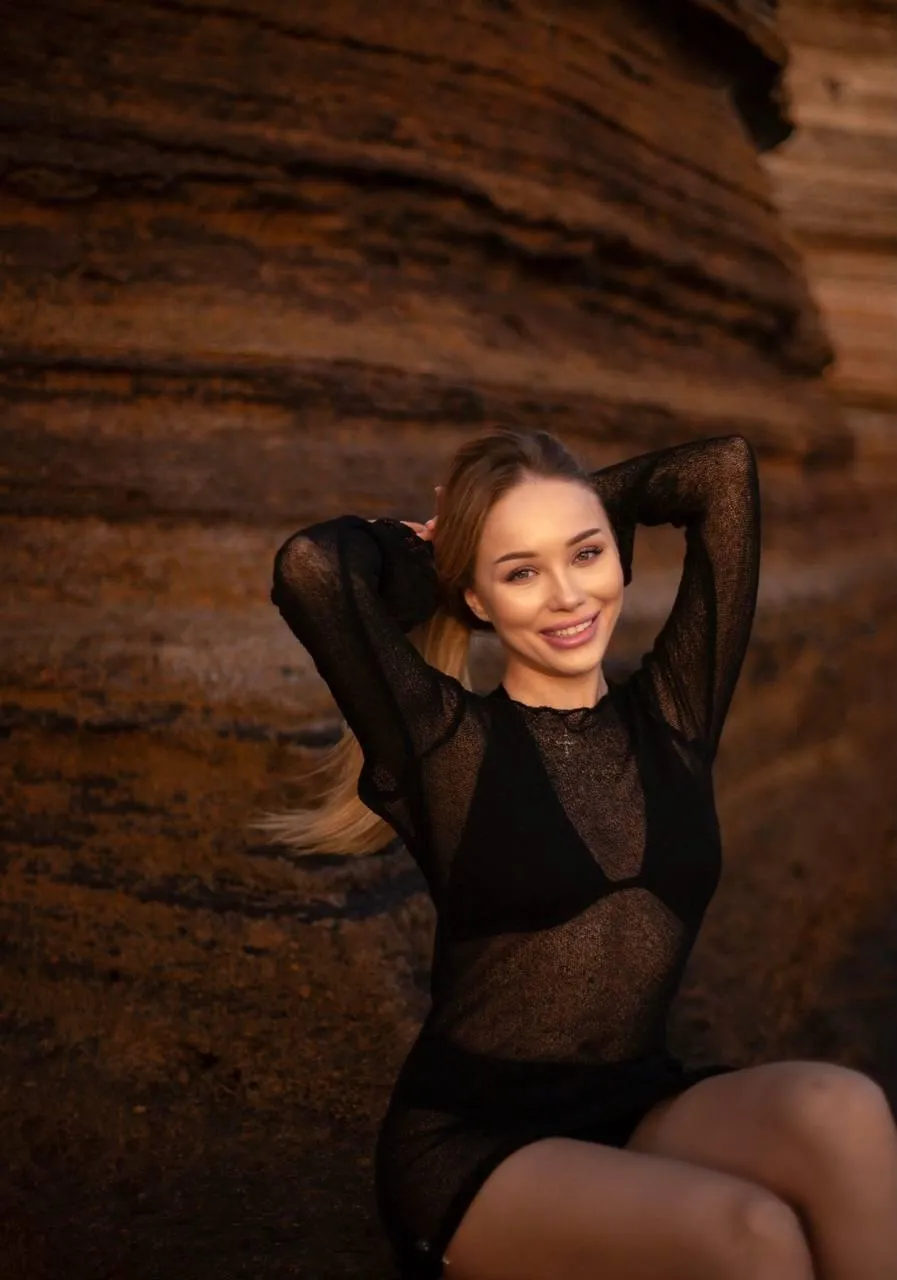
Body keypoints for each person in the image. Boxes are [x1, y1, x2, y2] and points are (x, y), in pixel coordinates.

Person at [268, 430, 897, 1280]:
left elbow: (722, 473)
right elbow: (312, 567)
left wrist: (568, 499)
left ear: (617, 559)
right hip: (476, 1143)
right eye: (520, 571)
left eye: (586, 553)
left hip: (634, 1101)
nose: (567, 596)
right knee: (750, 1235)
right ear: (478, 600)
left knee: (846, 1108)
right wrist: (431, 553)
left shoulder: (675, 715)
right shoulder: (444, 746)